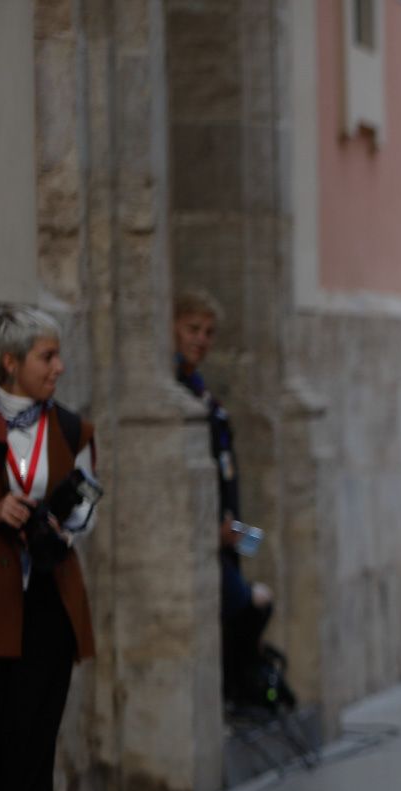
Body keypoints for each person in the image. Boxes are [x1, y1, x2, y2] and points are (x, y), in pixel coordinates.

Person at [0, 303, 101, 791]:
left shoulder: (74, 427)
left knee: (35, 727)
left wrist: (66, 527)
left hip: (50, 596)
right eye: (46, 357)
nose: (58, 367)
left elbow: (87, 505)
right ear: (11, 362)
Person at [173, 290, 275, 710]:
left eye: (209, 332)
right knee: (251, 602)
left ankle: (246, 687)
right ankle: (236, 689)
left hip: (226, 531)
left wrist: (234, 528)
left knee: (259, 570)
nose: (201, 339)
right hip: (203, 536)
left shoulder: (203, 394)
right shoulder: (178, 389)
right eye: (192, 329)